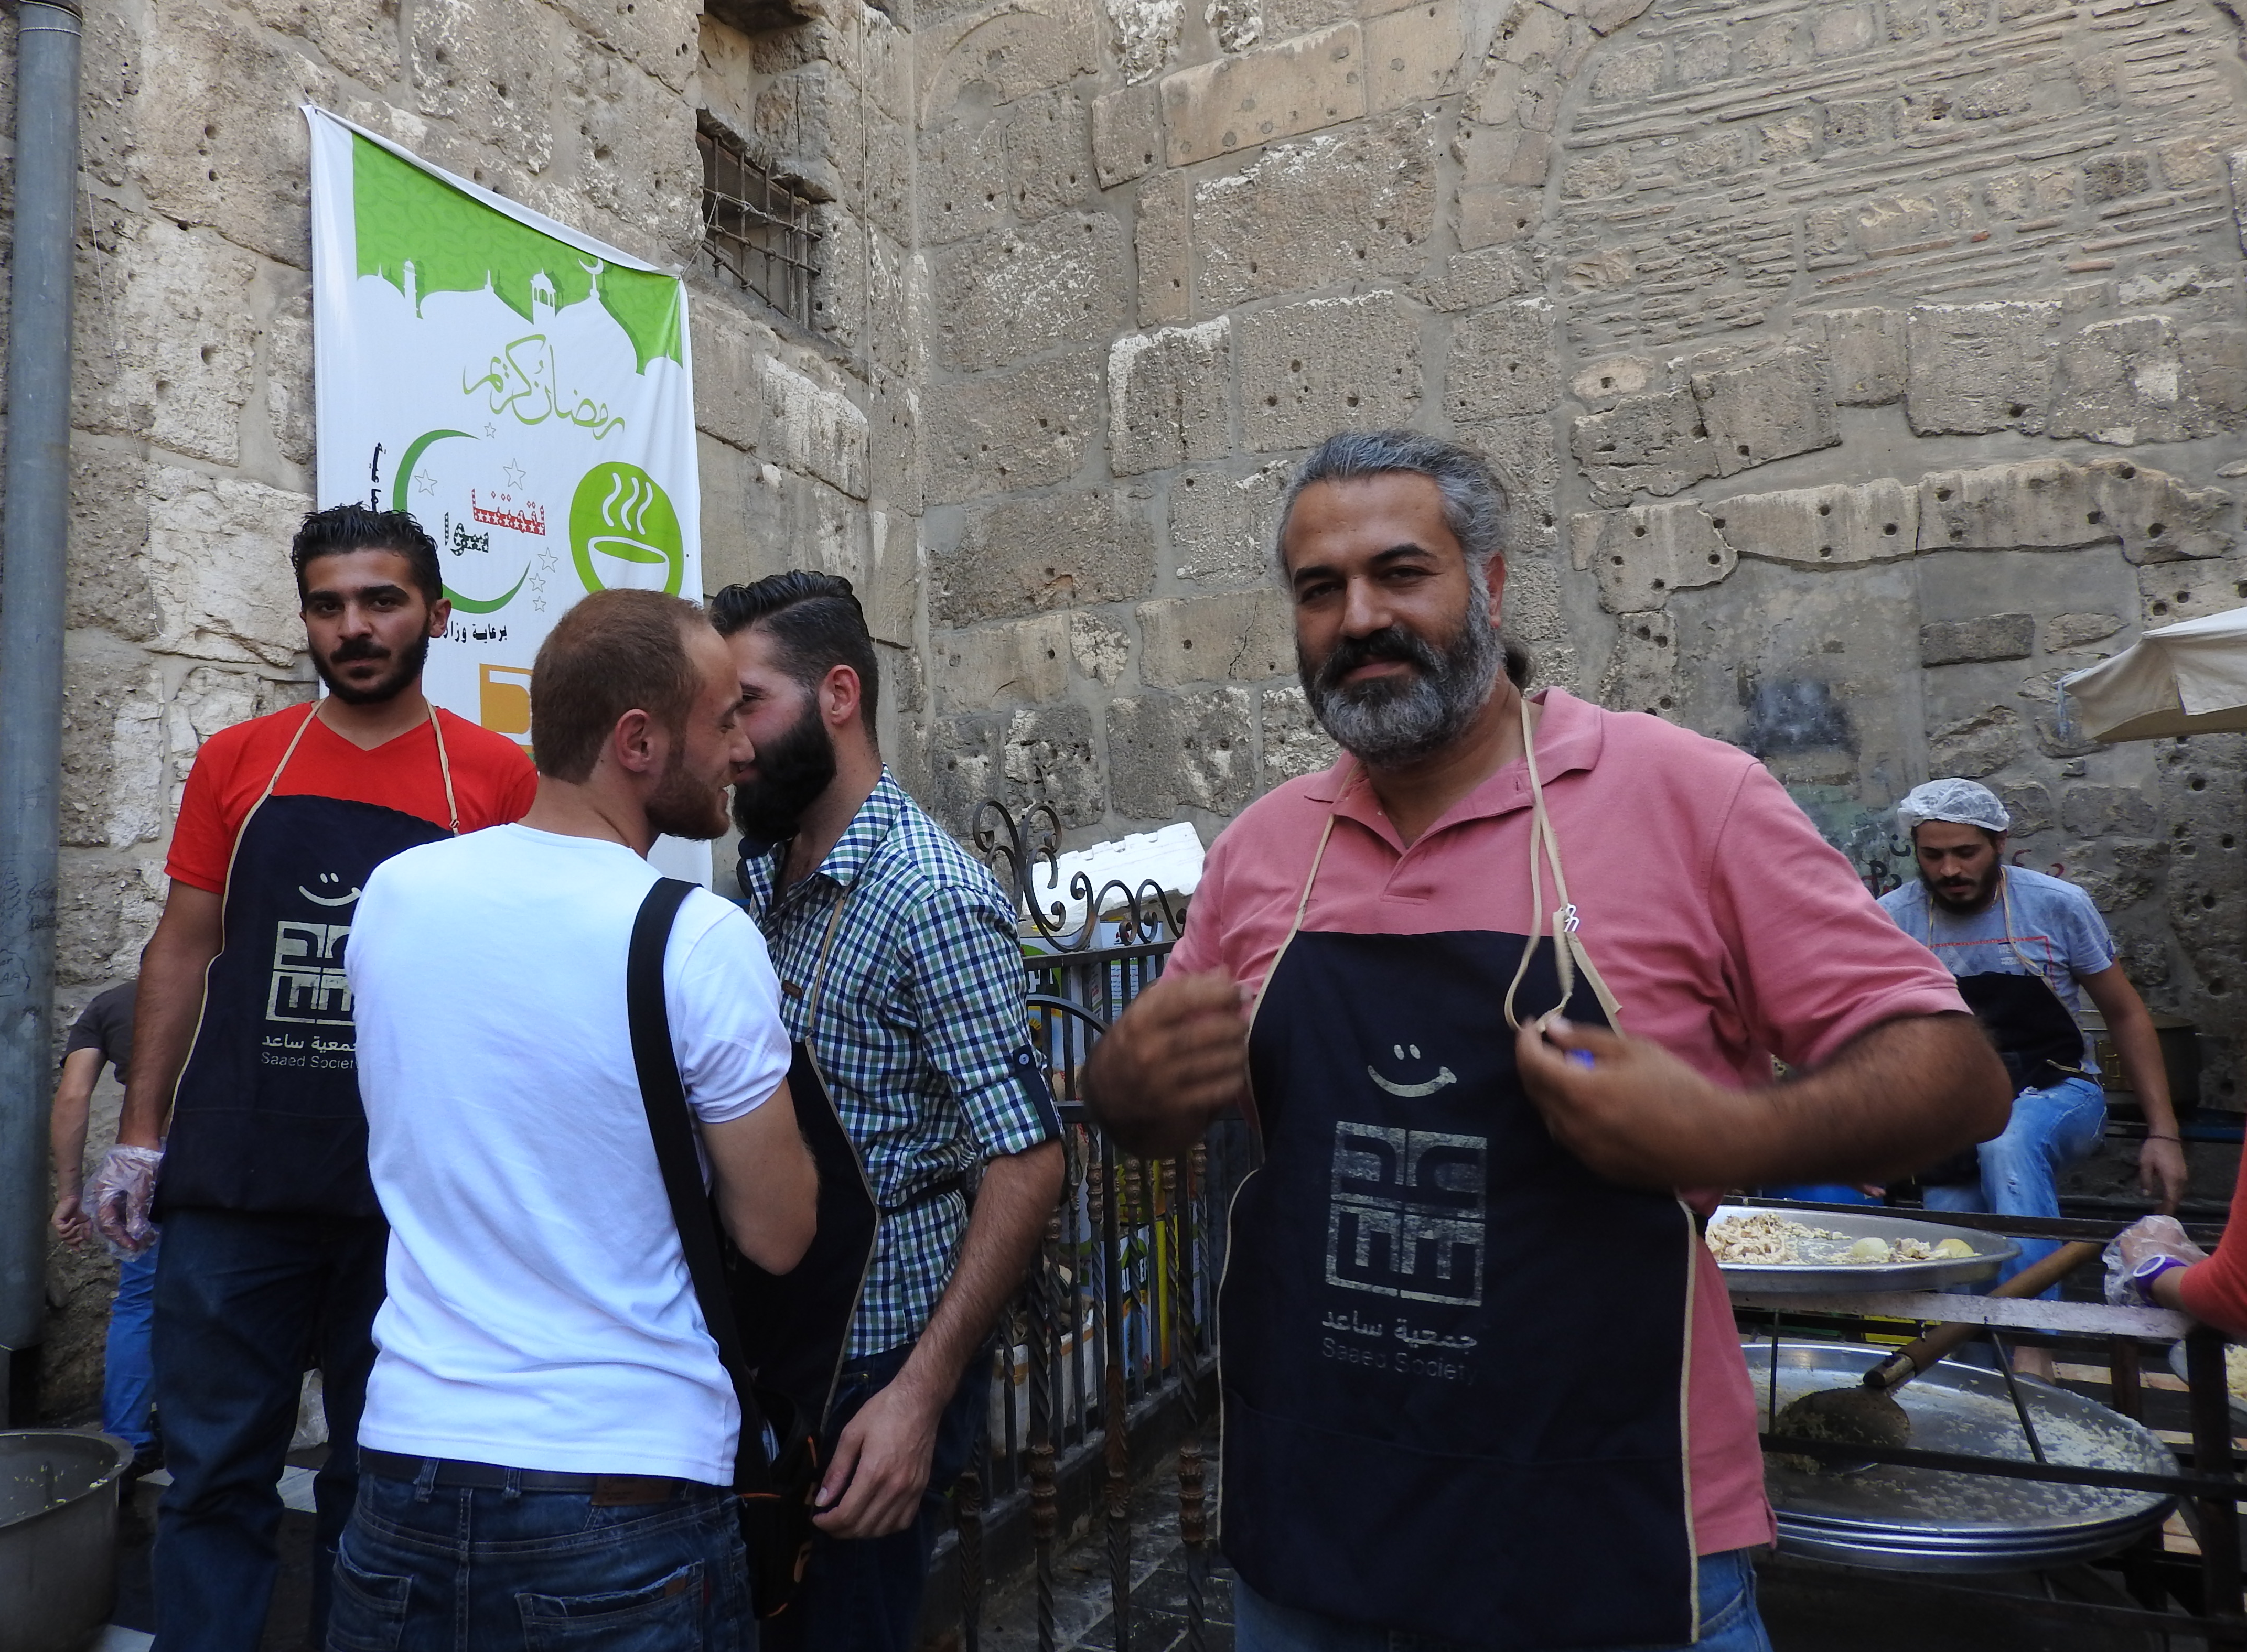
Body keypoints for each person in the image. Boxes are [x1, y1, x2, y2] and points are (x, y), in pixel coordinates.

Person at [1079, 430, 2009, 1652]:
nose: (1359, 618)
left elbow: (1958, 1073)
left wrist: (1732, 1133)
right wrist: (1123, 1088)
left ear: (1492, 584)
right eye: (1319, 589)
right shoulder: (1263, 850)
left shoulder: (1690, 797)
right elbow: (1153, 1116)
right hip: (1310, 1532)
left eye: (1400, 572)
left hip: (1606, 1536)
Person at [331, 586, 818, 1649]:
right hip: (624, 1488)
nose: (743, 749)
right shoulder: (695, 938)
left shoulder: (394, 897)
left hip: (405, 1472)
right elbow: (780, 1234)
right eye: (723, 719)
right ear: (636, 741)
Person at [89, 505, 538, 1652]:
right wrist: (139, 1133)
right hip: (234, 1180)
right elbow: (183, 948)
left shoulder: (496, 778)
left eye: (382, 600)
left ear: (438, 614)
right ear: (304, 620)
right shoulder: (240, 760)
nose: (355, 627)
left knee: (378, 1481)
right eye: (328, 605)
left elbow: (514, 983)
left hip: (407, 1197)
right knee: (211, 1477)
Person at [707, 571, 1064, 1652]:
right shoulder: (760, 869)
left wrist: (920, 1395)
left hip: (877, 1369)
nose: (729, 741)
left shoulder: (931, 895)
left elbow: (1028, 1159)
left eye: (748, 704)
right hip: (777, 1350)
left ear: (839, 695)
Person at [1880, 776, 2186, 1348]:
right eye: (1933, 855)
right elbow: (1869, 1033)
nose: (1950, 870)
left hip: (2061, 1090)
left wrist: (2163, 1134)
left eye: (1966, 852)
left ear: (1999, 842)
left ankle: (2035, 1348)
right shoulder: (1892, 919)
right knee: (1952, 1230)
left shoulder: (2056, 905)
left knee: (2007, 1142)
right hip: (1954, 1109)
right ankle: (1967, 1371)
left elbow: (2125, 1014)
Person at [49, 980, 158, 1476]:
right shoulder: (231, 990)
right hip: (221, 1160)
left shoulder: (113, 1003)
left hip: (141, 1165)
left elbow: (74, 1096)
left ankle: (126, 1442)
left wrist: (71, 1193)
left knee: (139, 1302)